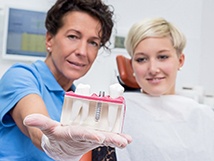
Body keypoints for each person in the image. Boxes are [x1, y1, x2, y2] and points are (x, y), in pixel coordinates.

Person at [0, 0, 132, 160]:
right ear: (50, 39)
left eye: (93, 42)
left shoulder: (77, 99)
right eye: (73, 36)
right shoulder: (21, 77)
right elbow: (36, 127)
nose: (82, 51)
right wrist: (49, 142)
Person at [116, 17, 214, 161]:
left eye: (162, 57)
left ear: (180, 60)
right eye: (142, 59)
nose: (153, 69)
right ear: (132, 66)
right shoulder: (116, 112)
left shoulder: (203, 117)